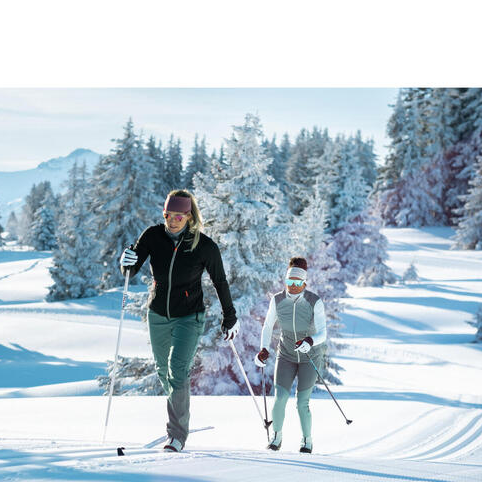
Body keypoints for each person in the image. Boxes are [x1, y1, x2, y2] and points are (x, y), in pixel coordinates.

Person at [119, 189, 239, 452]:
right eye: (168, 215)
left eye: (178, 216)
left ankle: (176, 434)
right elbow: (132, 266)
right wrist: (126, 261)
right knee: (164, 372)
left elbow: (220, 282)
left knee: (177, 371)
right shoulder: (153, 235)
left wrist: (230, 317)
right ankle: (180, 416)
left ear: (189, 216)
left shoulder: (204, 246)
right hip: (158, 314)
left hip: (189, 317)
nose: (172, 221)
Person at [255, 256, 327, 453]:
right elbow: (268, 325)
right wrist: (264, 349)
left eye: (297, 282)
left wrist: (310, 341)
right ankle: (276, 438)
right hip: (285, 355)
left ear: (304, 282)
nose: (293, 286)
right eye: (289, 282)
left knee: (302, 402)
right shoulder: (277, 300)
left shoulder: (314, 302)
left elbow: (323, 333)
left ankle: (307, 441)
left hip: (309, 358)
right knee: (280, 398)